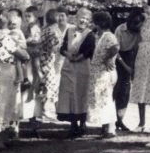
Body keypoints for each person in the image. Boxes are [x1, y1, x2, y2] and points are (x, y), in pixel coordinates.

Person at [0, 15, 30, 151]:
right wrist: (24, 55)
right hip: (7, 72)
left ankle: (3, 137)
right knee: (5, 103)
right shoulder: (4, 38)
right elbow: (22, 54)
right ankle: (0, 141)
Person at [57, 8, 95, 138]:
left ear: (89, 21)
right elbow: (62, 48)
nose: (83, 21)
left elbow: (89, 51)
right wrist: (68, 55)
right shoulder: (69, 30)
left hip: (82, 68)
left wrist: (76, 58)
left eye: (86, 19)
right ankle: (73, 125)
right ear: (76, 18)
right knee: (69, 96)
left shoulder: (90, 34)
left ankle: (83, 123)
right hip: (68, 67)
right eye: (81, 18)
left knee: (81, 94)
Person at [129, 0, 150, 133]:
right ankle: (141, 123)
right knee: (140, 86)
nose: (143, 6)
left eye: (146, 3)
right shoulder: (143, 20)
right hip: (142, 55)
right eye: (142, 3)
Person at [87, 11, 120, 139]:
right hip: (98, 71)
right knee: (101, 98)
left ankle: (110, 129)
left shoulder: (108, 36)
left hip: (104, 72)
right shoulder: (100, 35)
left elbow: (116, 47)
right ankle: (105, 127)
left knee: (106, 99)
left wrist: (108, 58)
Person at [113, 9, 144, 131]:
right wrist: (126, 67)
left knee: (124, 93)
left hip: (129, 57)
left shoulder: (139, 31)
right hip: (117, 59)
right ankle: (110, 121)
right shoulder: (120, 29)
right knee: (115, 91)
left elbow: (136, 49)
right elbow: (115, 51)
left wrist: (134, 66)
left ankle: (120, 120)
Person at [40, 8, 67, 120]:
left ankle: (47, 109)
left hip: (45, 59)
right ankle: (45, 110)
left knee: (48, 84)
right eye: (58, 16)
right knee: (50, 84)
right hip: (50, 60)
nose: (60, 18)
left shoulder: (45, 28)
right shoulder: (53, 30)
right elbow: (54, 47)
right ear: (55, 17)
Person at [23, 5, 45, 92]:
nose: (27, 18)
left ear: (35, 18)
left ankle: (28, 80)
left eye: (29, 16)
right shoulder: (32, 26)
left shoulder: (33, 26)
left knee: (33, 65)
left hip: (34, 48)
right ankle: (39, 83)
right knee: (35, 67)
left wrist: (23, 41)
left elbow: (32, 38)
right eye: (26, 16)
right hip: (34, 48)